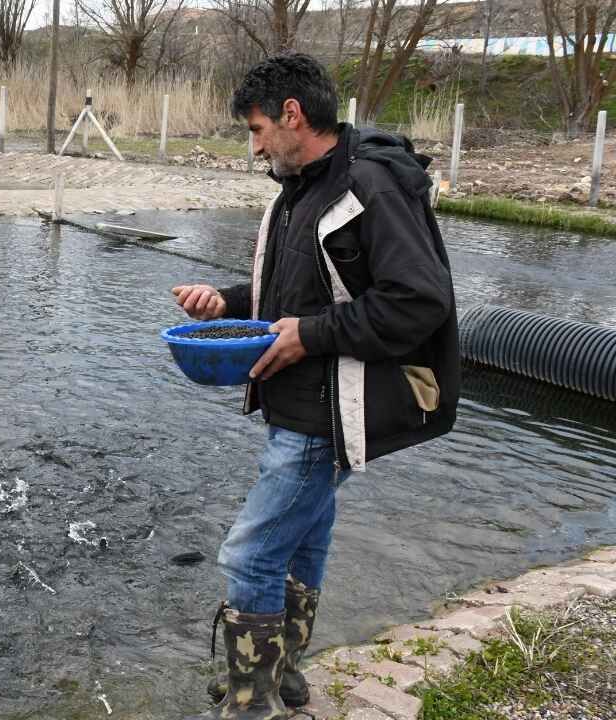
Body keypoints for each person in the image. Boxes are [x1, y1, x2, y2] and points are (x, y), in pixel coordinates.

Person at [172, 54, 460, 720]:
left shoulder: (371, 188)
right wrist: (228, 301)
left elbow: (419, 302)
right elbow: (299, 297)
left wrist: (309, 336)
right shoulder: (302, 189)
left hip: (327, 413)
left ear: (292, 116)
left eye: (257, 130)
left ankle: (251, 700)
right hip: (298, 405)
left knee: (249, 552)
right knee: (305, 542)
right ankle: (286, 675)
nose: (255, 146)